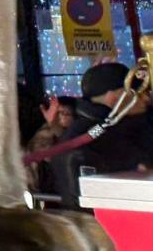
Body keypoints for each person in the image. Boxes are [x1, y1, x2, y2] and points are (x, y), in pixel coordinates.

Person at [53, 61, 153, 208]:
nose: (145, 99)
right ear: (114, 98)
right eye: (137, 93)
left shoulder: (132, 125)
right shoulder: (83, 142)